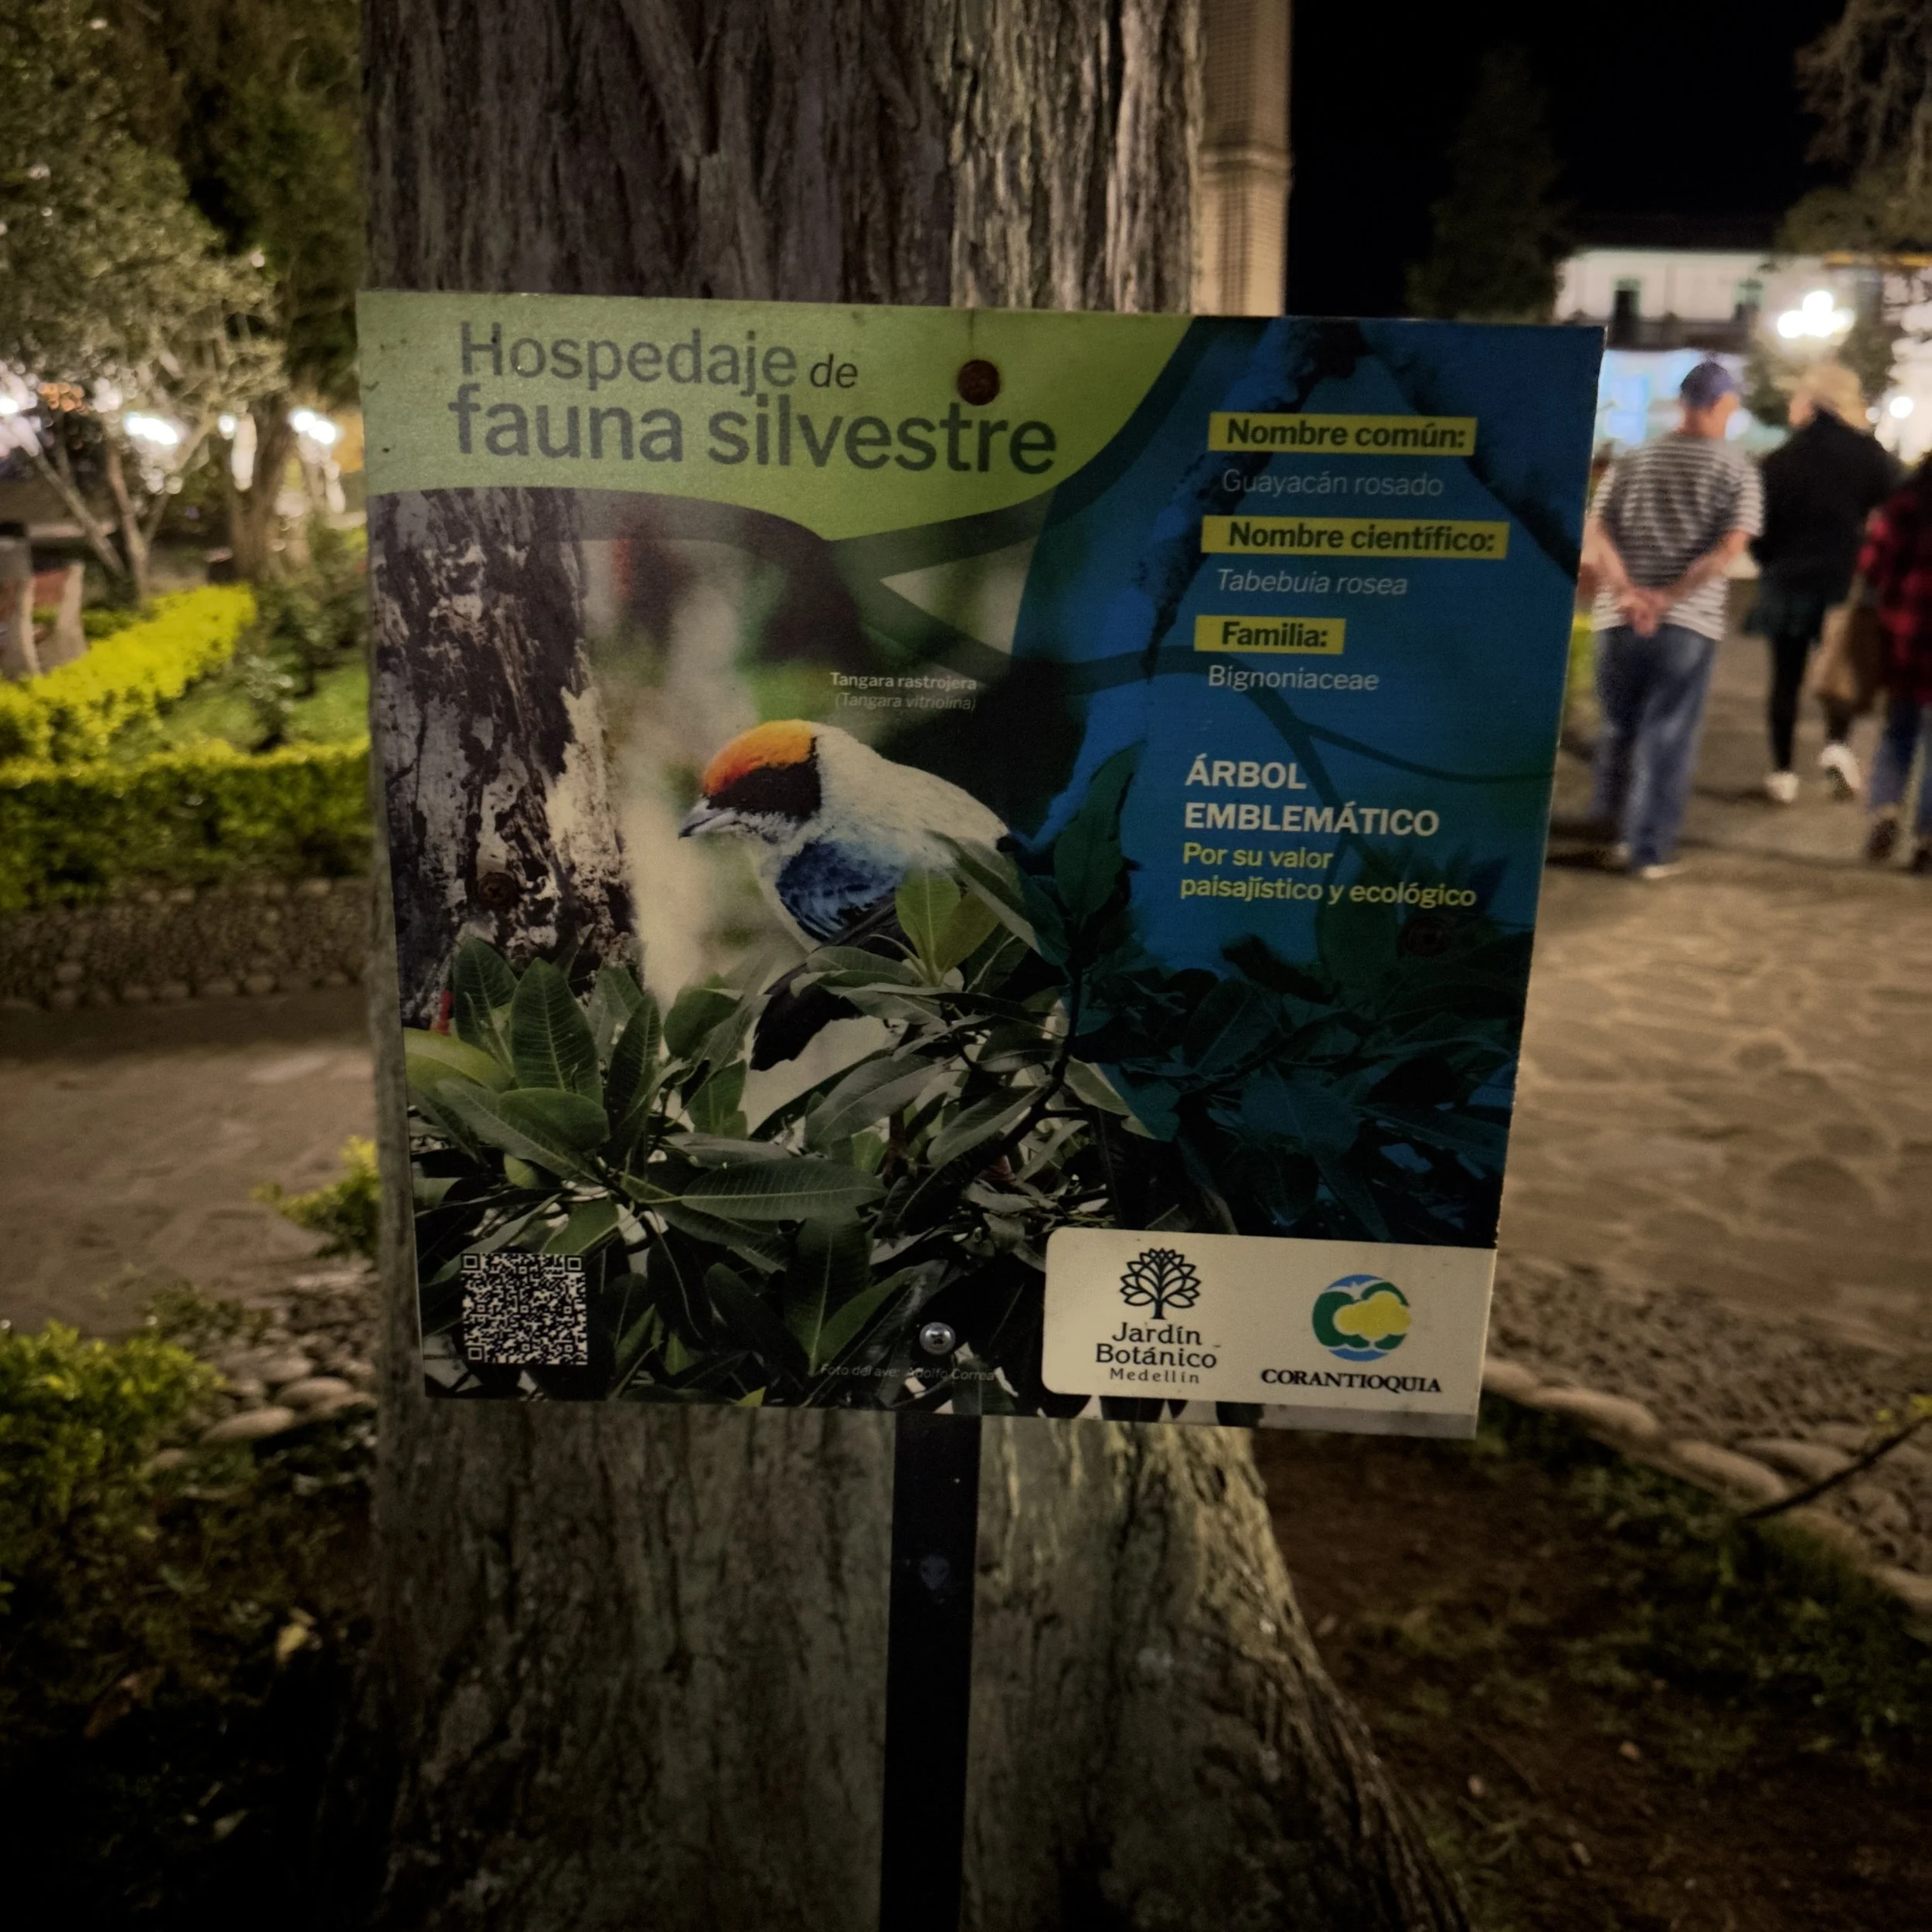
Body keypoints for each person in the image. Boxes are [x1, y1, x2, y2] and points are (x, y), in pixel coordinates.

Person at [1582, 359, 1763, 879]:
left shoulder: (1634, 461)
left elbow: (1598, 533)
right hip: (1687, 622)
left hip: (1617, 620)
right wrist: (1667, 597)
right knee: (1670, 735)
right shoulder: (1735, 469)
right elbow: (1728, 548)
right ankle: (1648, 848)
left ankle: (1605, 833)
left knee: (1617, 729)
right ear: (1720, 405)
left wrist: (1626, 593)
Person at [1747, 360, 1897, 802]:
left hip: (1788, 578)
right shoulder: (1871, 456)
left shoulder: (1779, 460)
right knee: (1840, 671)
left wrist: (1769, 560)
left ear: (1812, 402)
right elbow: (1896, 511)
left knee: (1785, 678)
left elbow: (1759, 527)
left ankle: (1783, 773)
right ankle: (1835, 745)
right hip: (1844, 579)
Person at [1855, 456, 1932, 872]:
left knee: (1898, 729)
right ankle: (1927, 837)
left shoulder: (1906, 502)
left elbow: (1873, 564)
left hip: (1905, 632)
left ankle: (1885, 810)